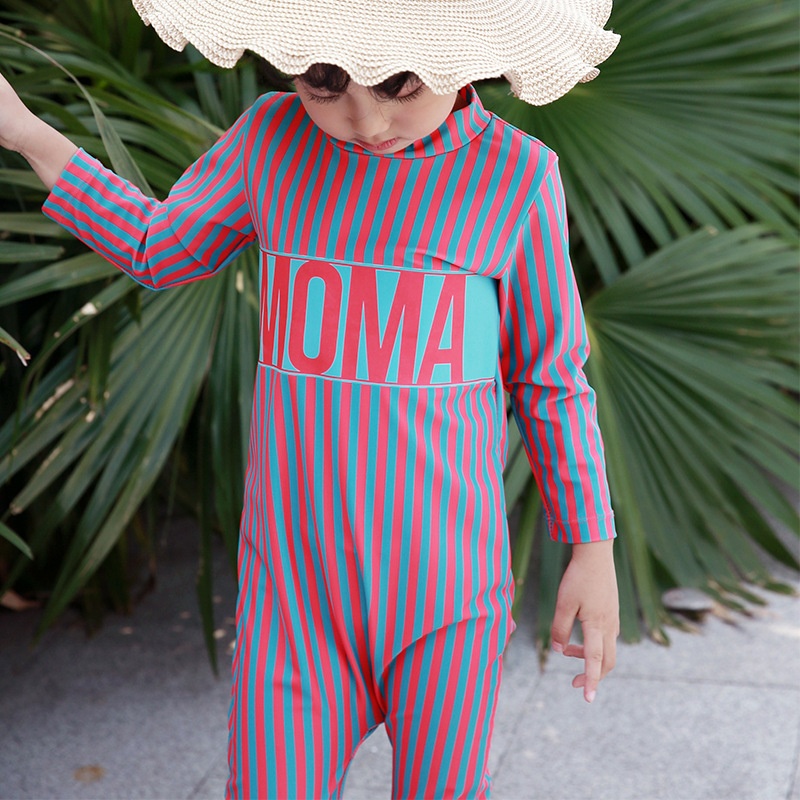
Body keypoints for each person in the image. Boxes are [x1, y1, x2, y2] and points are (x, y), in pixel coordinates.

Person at [0, 2, 621, 797]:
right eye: (325, 85)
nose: (366, 120)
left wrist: (592, 548)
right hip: (292, 598)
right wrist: (24, 132)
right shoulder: (272, 139)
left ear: (463, 56)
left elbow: (549, 378)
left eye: (398, 86)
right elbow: (159, 248)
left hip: (450, 595)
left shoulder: (515, 175)